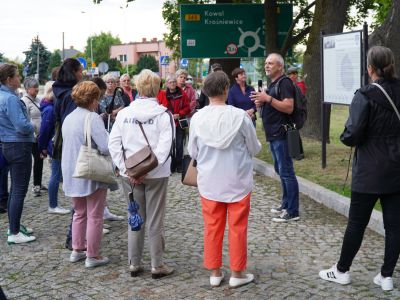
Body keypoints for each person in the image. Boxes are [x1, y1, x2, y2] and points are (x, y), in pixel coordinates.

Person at [319, 46, 400, 291]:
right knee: (395, 225)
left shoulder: (364, 95)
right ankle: (387, 276)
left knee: (356, 223)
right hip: (396, 167)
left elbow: (351, 134)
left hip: (369, 170)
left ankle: (342, 270)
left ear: (369, 68)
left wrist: (347, 135)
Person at [188, 71, 261, 288]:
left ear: (205, 91)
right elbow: (254, 148)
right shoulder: (240, 117)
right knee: (238, 227)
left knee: (212, 226)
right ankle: (237, 273)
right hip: (237, 180)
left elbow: (192, 151)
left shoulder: (198, 118)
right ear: (226, 90)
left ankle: (215, 271)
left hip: (210, 181)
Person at [109, 69, 174, 278]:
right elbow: (164, 149)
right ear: (157, 88)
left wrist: (128, 170)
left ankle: (134, 263)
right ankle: (157, 264)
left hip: (131, 175)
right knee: (155, 219)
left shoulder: (124, 114)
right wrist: (147, 170)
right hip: (157, 174)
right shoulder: (164, 115)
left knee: (134, 216)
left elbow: (114, 144)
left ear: (138, 87)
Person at [63, 81, 110, 268]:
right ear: (93, 99)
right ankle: (92, 255)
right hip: (90, 168)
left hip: (71, 169)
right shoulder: (92, 118)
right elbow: (105, 147)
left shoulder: (69, 117)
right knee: (95, 214)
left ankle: (77, 249)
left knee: (79, 213)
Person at [250, 53, 300, 222]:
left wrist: (267, 98)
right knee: (281, 170)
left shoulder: (285, 82)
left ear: (280, 66)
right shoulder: (274, 83)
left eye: (271, 63)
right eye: (265, 63)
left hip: (282, 134)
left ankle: (292, 211)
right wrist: (261, 103)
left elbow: (288, 107)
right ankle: (286, 204)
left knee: (286, 172)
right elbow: (272, 105)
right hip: (273, 133)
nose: (267, 66)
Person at [0, 64, 36, 244]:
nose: (20, 79)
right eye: (17, 76)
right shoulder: (10, 99)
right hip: (19, 145)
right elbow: (22, 125)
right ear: (9, 79)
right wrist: (34, 127)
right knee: (19, 190)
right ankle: (14, 232)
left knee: (15, 189)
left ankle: (14, 225)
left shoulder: (3, 96)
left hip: (8, 144)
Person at [52, 58, 83, 250]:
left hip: (64, 145)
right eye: (80, 71)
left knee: (77, 197)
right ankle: (74, 239)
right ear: (74, 72)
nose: (82, 74)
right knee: (80, 198)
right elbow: (75, 124)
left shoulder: (58, 92)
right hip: (73, 147)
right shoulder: (71, 95)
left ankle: (76, 238)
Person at [38, 81, 70, 214]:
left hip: (55, 144)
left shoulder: (51, 107)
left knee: (56, 175)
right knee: (55, 175)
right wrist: (42, 148)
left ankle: (54, 204)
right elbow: (44, 131)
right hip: (55, 145)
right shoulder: (50, 109)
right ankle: (53, 205)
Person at [158, 74, 190, 173]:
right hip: (167, 123)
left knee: (179, 144)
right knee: (169, 144)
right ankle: (171, 165)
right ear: (166, 84)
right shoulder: (163, 94)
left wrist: (179, 114)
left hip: (179, 122)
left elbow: (187, 108)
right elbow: (160, 107)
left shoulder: (182, 94)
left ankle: (179, 165)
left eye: (174, 82)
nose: (173, 84)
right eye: (170, 82)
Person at [21, 77, 46, 197]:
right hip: (32, 137)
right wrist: (34, 133)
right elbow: (25, 120)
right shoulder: (24, 101)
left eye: (37, 86)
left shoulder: (37, 99)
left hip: (39, 136)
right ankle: (35, 186)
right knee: (36, 159)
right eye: (34, 87)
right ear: (27, 88)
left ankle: (39, 183)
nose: (37, 89)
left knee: (40, 160)